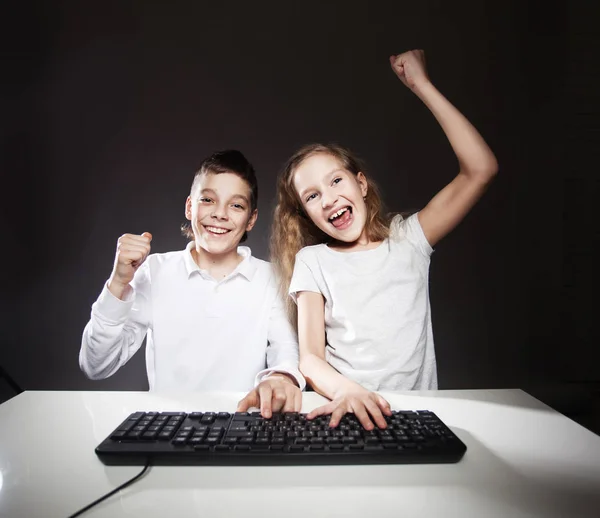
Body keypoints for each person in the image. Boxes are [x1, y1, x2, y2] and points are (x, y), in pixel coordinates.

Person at [270, 49, 498, 430]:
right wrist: (349, 392)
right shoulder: (313, 261)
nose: (328, 200)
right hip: (341, 412)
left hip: (415, 415)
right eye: (311, 196)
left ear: (361, 184)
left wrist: (422, 86)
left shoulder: (409, 239)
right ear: (305, 213)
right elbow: (310, 358)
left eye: (336, 181)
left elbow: (481, 169)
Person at [80, 150, 304, 417]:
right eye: (208, 200)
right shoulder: (155, 271)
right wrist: (118, 281)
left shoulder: (271, 278)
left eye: (236, 205)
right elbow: (96, 366)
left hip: (243, 425)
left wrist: (281, 378)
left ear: (251, 219)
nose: (220, 214)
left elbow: (286, 351)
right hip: (168, 427)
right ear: (190, 207)